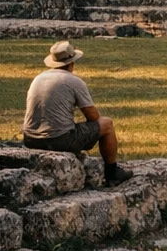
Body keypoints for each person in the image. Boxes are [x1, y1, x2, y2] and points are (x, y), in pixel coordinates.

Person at [22, 40, 133, 185]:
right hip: (58, 140)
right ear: (72, 63)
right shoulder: (74, 81)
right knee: (107, 124)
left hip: (30, 139)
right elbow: (93, 117)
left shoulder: (38, 79)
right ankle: (112, 172)